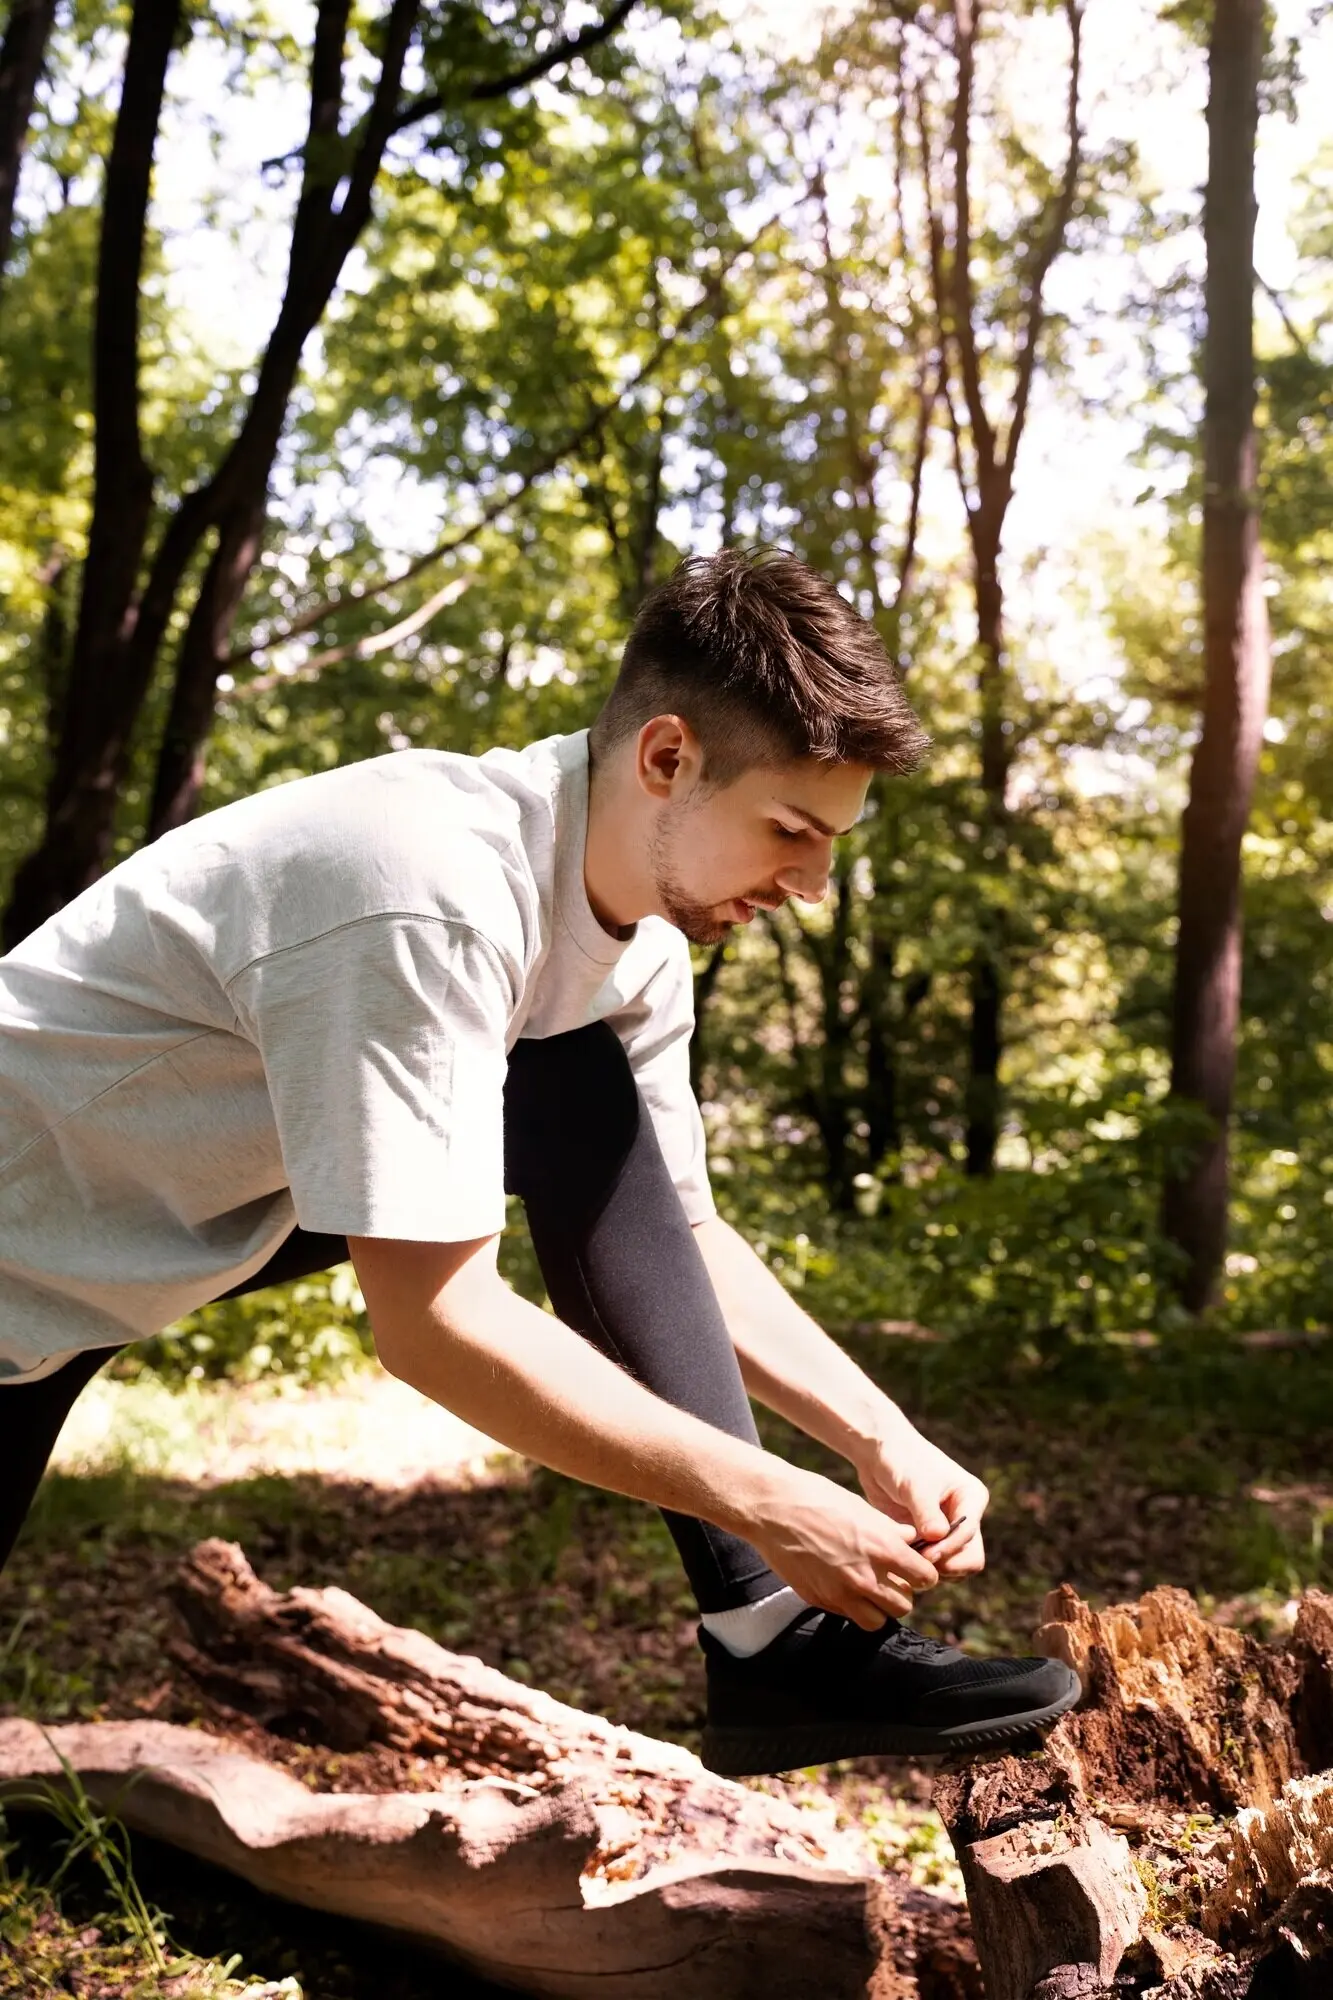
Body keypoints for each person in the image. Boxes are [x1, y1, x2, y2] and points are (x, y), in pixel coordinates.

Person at [0, 546, 1079, 1777]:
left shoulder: (639, 954)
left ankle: (769, 1641)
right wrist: (770, 1499)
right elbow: (434, 1324)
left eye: (830, 841)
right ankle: (770, 1618)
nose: (811, 882)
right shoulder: (428, 893)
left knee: (566, 1080)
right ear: (665, 757)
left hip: (80, 1295)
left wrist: (879, 1437)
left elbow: (676, 1242)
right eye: (790, 828)